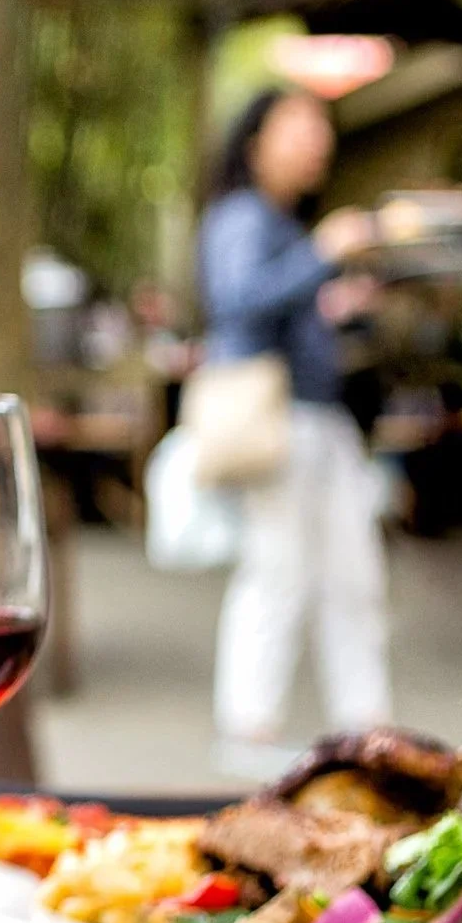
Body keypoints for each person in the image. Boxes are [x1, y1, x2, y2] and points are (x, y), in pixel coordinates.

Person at [198, 87, 390, 773]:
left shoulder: (278, 221)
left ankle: (367, 731)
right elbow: (235, 301)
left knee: (350, 577)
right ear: (255, 142)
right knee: (278, 571)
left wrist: (330, 302)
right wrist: (323, 254)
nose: (317, 140)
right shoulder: (244, 216)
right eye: (299, 125)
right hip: (281, 422)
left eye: (320, 127)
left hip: (318, 421)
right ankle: (247, 732)